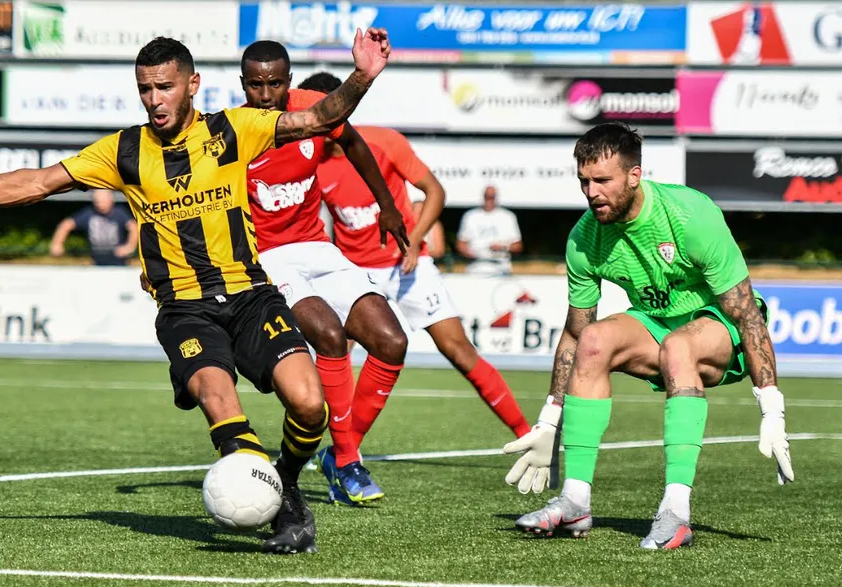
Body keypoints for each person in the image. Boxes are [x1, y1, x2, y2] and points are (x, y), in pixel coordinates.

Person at [0, 31, 395, 554]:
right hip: (186, 309)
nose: (154, 99)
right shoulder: (122, 150)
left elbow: (318, 119)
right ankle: (274, 501)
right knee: (220, 403)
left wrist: (363, 76)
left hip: (252, 296)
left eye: (165, 87)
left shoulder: (235, 129)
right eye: (145, 89)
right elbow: (39, 182)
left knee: (309, 405)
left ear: (193, 85)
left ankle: (287, 484)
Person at [502, 123, 793, 550]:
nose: (591, 193)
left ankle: (676, 513)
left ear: (634, 175)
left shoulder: (690, 216)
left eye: (603, 180)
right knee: (594, 340)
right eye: (584, 181)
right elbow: (574, 334)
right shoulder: (584, 238)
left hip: (719, 327)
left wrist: (772, 409)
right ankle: (575, 501)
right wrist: (549, 418)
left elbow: (747, 316)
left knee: (679, 346)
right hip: (656, 323)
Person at [301, 72, 532, 496]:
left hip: (408, 265)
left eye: (325, 106)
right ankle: (344, 455)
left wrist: (415, 240)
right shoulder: (307, 158)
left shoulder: (383, 142)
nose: (317, 115)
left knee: (458, 350)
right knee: (335, 356)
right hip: (354, 273)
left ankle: (528, 437)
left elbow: (434, 191)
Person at [239, 41, 409, 505]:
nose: (266, 94)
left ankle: (338, 453)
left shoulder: (312, 109)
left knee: (392, 341)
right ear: (243, 84)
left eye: (275, 83)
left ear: (289, 81)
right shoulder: (235, 130)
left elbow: (352, 142)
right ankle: (349, 461)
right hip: (269, 257)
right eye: (256, 85)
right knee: (330, 336)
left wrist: (387, 205)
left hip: (317, 246)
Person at [49, 189, 138, 266]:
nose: (100, 204)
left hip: (120, 262)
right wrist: (57, 244)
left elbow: (134, 227)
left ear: (111, 199)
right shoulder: (88, 213)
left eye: (103, 201)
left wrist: (129, 247)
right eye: (98, 201)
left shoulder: (120, 213)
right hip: (96, 261)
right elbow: (66, 225)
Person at [455, 185, 523, 275]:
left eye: (492, 197)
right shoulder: (470, 216)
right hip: (475, 267)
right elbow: (461, 243)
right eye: (487, 196)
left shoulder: (508, 217)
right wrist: (469, 253)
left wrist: (502, 247)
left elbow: (518, 246)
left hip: (500, 267)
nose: (489, 199)